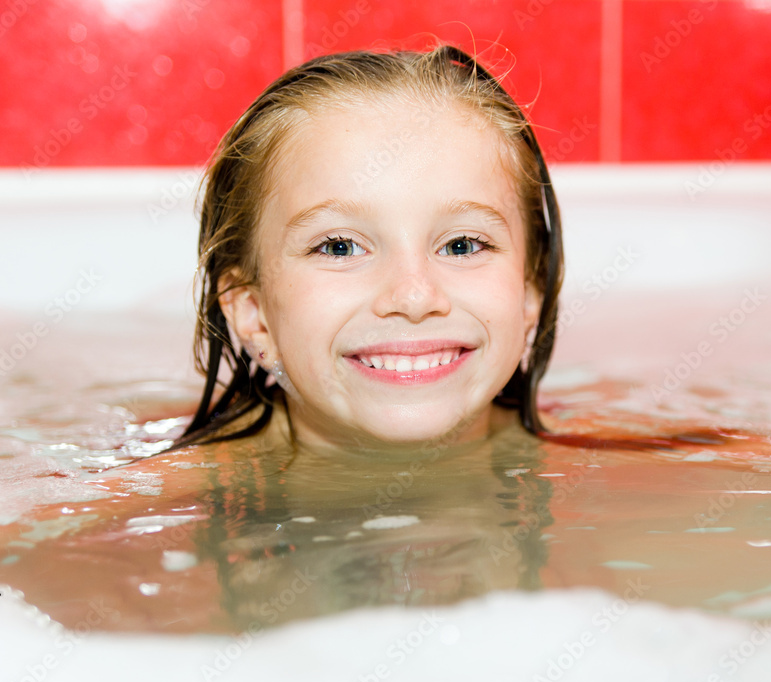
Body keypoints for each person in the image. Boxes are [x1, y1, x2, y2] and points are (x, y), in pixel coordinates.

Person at [169, 44, 564, 457]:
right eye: (340, 247)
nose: (413, 297)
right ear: (254, 312)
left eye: (461, 246)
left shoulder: (595, 463)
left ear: (529, 294)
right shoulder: (179, 489)